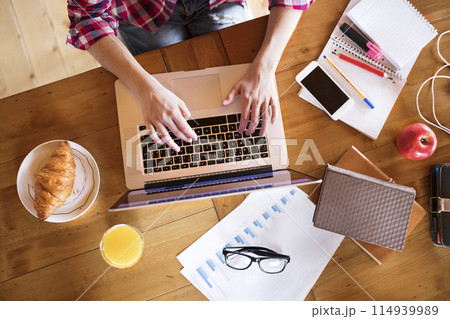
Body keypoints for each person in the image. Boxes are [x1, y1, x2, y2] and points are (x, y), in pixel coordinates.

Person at [67, 0, 315, 151]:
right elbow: (88, 18)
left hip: (220, 3)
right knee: (168, 103)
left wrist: (266, 66)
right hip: (143, 15)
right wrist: (147, 90)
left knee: (233, 101)